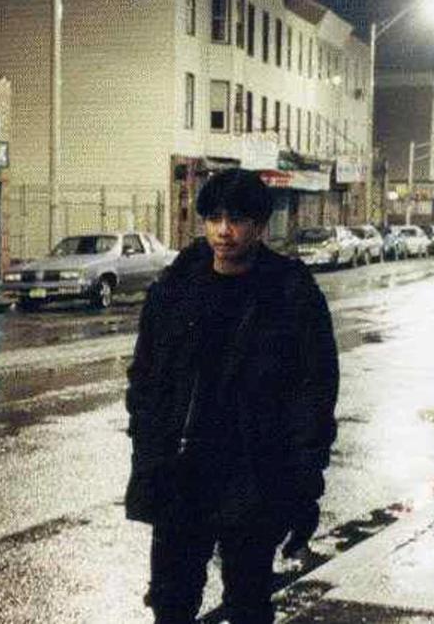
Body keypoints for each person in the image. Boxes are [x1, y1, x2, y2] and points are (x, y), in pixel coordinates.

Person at [124, 169, 339, 624]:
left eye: (237, 219)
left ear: (260, 226)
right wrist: (148, 454)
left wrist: (303, 485)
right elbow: (145, 382)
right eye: (215, 218)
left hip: (254, 476)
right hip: (183, 474)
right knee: (171, 601)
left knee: (247, 604)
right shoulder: (174, 290)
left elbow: (314, 396)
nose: (224, 230)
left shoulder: (291, 294)